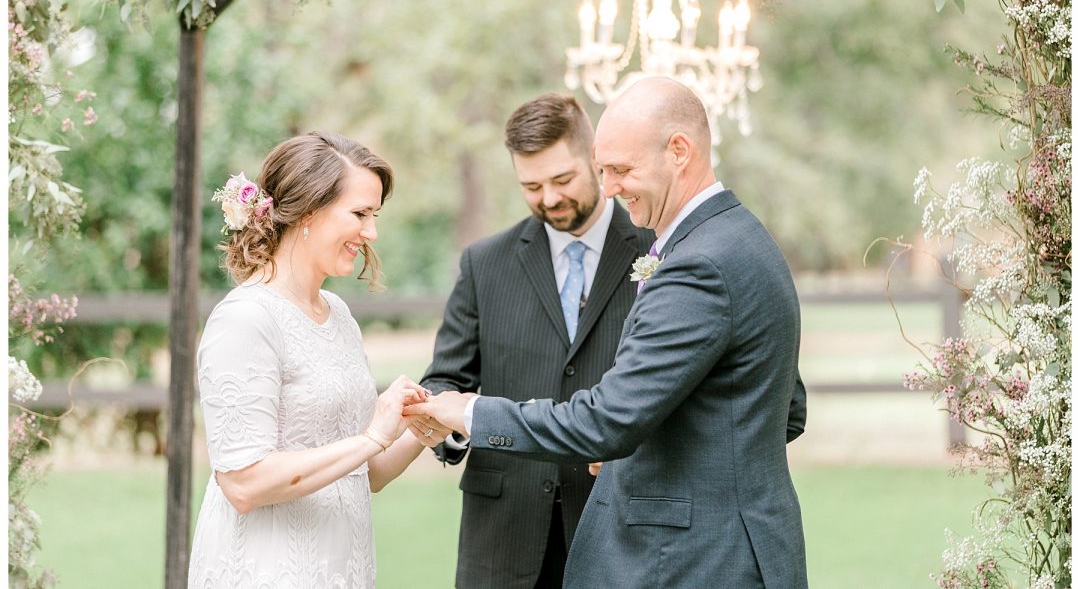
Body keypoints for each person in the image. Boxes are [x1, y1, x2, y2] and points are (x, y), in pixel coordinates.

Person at [405, 78, 809, 588]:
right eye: (605, 170)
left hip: (702, 558)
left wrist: (469, 411)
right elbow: (784, 410)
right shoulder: (741, 236)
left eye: (620, 170)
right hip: (711, 547)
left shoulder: (696, 263)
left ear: (678, 151)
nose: (612, 187)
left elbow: (609, 421)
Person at [188, 131, 446, 588]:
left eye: (375, 215)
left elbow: (363, 474)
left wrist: (416, 431)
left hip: (340, 569)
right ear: (308, 211)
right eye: (360, 214)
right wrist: (372, 437)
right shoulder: (246, 320)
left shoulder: (339, 315)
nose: (372, 233)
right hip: (265, 571)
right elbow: (244, 484)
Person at [417, 92, 653, 588]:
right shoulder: (485, 264)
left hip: (619, 529)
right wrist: (459, 424)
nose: (548, 198)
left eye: (562, 180)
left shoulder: (657, 250)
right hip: (503, 541)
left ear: (595, 157)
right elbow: (443, 381)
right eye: (532, 186)